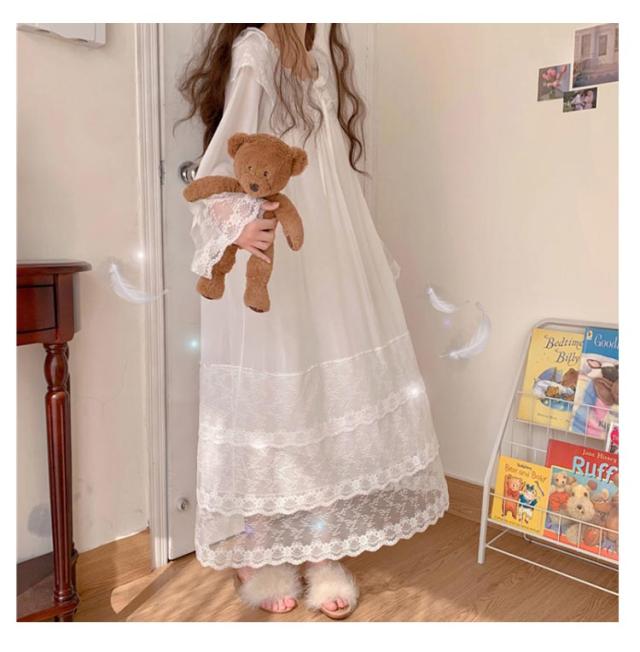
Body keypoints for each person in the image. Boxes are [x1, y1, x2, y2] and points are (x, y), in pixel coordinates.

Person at [179, 23, 448, 620]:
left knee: (321, 401)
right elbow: (222, 161)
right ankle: (259, 551)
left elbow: (331, 177)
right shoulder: (255, 49)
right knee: (265, 409)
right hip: (269, 263)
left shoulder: (318, 61)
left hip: (322, 259)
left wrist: (362, 255)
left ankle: (322, 549)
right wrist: (236, 227)